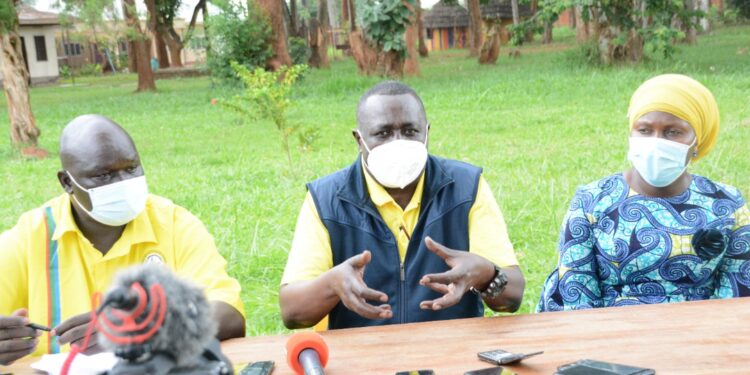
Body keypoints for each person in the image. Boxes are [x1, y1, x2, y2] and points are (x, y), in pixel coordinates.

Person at [0, 115, 245, 365]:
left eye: (131, 168)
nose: (124, 184)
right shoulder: (29, 237)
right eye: (104, 176)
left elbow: (229, 314)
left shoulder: (173, 223)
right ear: (67, 183)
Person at [279, 81, 525, 330]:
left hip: (454, 354)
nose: (398, 143)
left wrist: (487, 274)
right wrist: (332, 284)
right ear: (359, 139)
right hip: (362, 361)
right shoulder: (326, 199)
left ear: (426, 133)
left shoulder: (466, 187)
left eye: (410, 131)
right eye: (383, 134)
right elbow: (292, 312)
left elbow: (512, 296)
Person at [537, 74, 750, 312]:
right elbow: (575, 293)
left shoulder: (727, 206)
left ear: (696, 141)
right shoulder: (592, 201)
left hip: (699, 338)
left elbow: (739, 295)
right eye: (645, 130)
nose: (656, 141)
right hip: (607, 338)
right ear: (631, 134)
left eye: (673, 132)